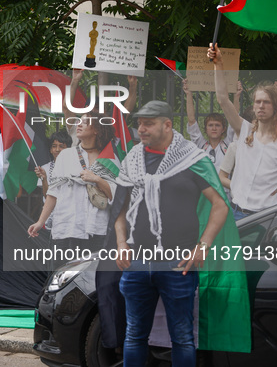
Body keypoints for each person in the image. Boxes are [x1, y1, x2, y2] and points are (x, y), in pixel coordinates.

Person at [114, 100, 229, 367]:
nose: (141, 128)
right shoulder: (132, 160)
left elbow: (220, 205)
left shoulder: (193, 158)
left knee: (182, 337)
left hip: (179, 263)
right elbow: (119, 209)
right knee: (133, 336)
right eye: (139, 123)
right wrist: (121, 242)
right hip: (137, 262)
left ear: (167, 124)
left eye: (148, 123)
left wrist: (203, 245)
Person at [209, 43, 277, 219]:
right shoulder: (243, 128)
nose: (261, 106)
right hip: (235, 212)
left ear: (276, 107)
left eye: (266, 102)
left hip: (266, 217)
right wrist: (218, 64)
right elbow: (222, 98)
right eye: (257, 102)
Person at [28, 110, 117, 254]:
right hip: (67, 227)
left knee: (91, 275)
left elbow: (116, 195)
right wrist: (40, 222)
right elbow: (53, 192)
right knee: (62, 274)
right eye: (79, 121)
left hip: (97, 229)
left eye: (85, 122)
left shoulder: (109, 159)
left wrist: (97, 179)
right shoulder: (66, 155)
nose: (79, 125)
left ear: (96, 130)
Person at [67, 69, 138, 145]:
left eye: (97, 108)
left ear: (104, 111)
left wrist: (133, 86)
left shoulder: (110, 126)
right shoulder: (77, 126)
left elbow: (126, 109)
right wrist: (75, 80)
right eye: (90, 108)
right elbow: (66, 107)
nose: (93, 111)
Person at [184, 79, 231, 171]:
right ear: (205, 129)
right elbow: (191, 120)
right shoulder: (200, 144)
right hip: (203, 186)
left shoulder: (228, 144)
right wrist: (188, 94)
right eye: (210, 125)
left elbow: (234, 119)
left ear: (223, 129)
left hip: (224, 186)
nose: (214, 128)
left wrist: (236, 96)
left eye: (217, 125)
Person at [35, 131, 73, 198]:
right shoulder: (44, 169)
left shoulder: (75, 167)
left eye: (61, 146)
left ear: (69, 149)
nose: (57, 150)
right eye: (54, 146)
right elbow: (47, 197)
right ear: (50, 150)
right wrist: (44, 179)